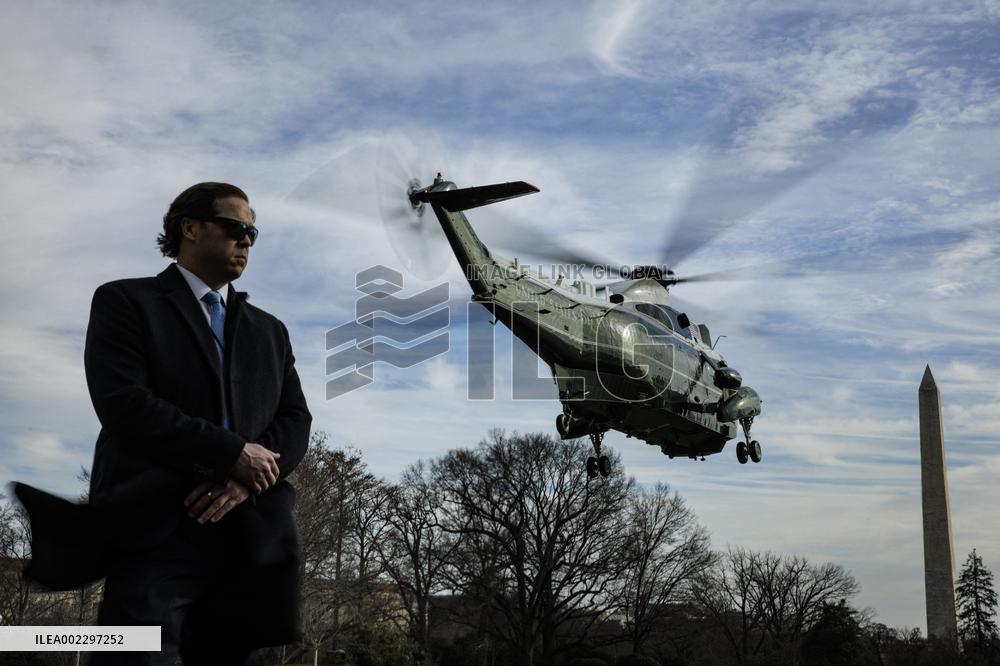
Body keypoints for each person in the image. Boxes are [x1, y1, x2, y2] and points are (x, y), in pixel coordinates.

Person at [18, 182, 311, 664]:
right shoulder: (125, 301)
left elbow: (295, 419)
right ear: (189, 228)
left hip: (248, 539)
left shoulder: (270, 331)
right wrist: (230, 455)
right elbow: (124, 404)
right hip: (155, 530)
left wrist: (245, 479)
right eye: (235, 227)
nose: (247, 240)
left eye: (253, 233)